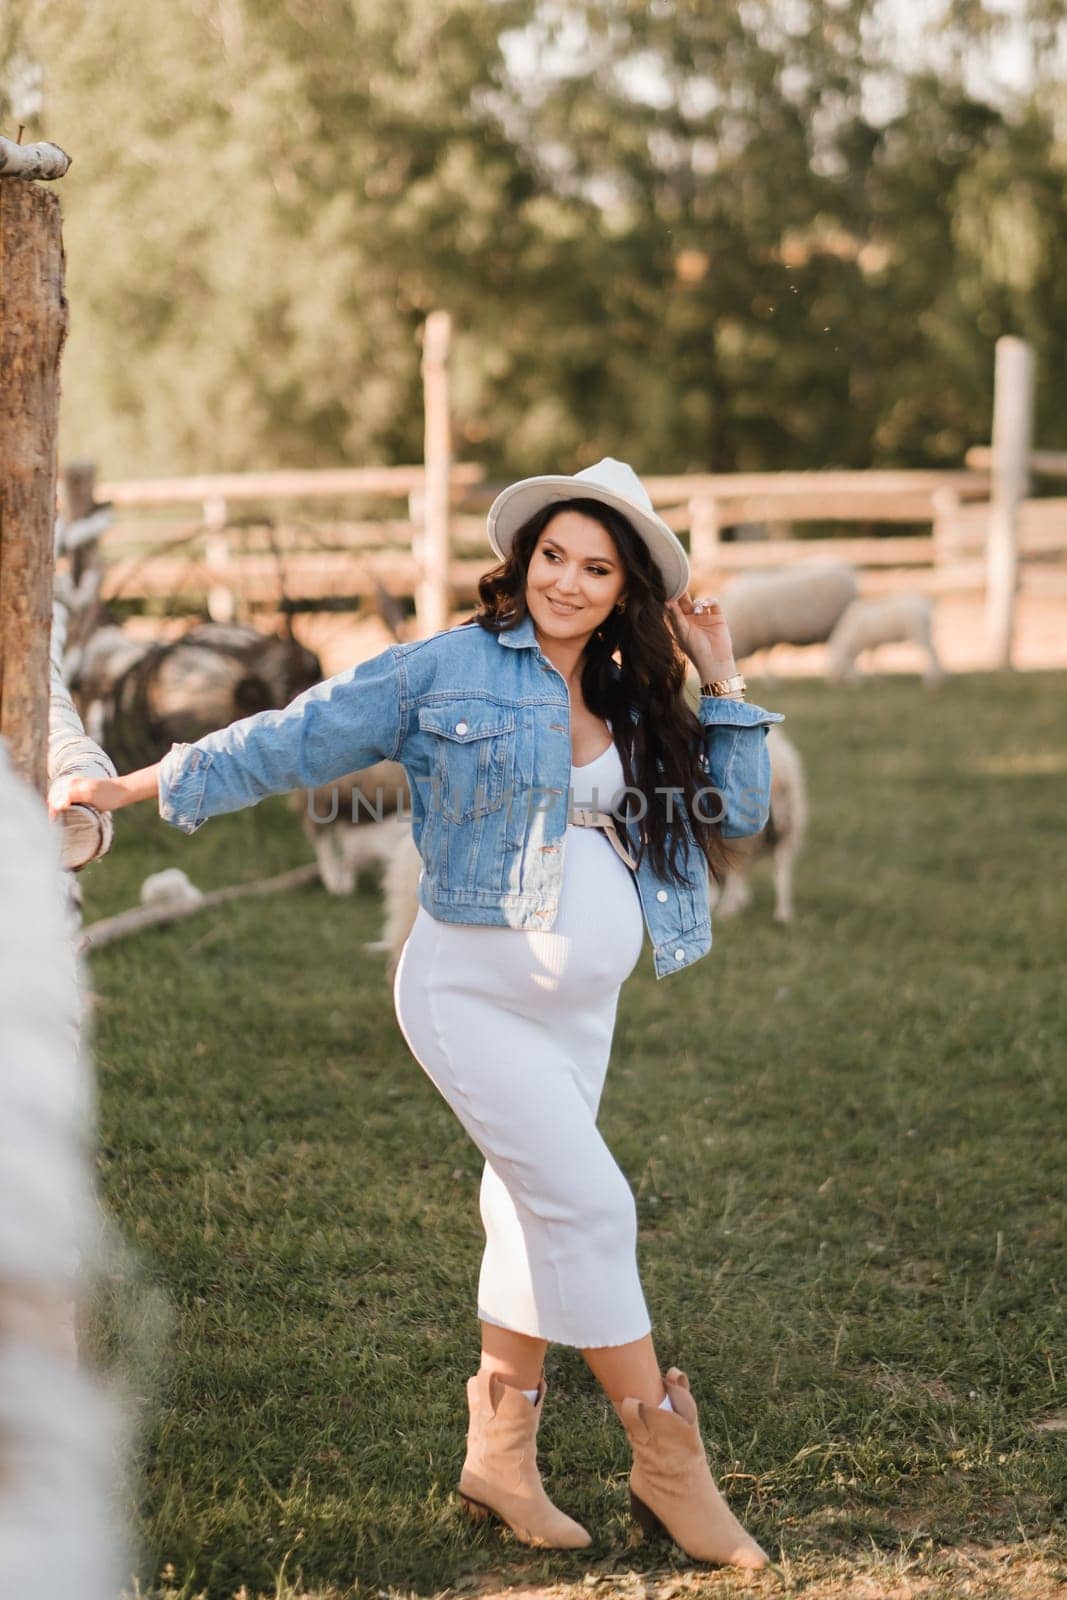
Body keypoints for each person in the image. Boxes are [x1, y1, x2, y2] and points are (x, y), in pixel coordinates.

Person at [54, 458, 784, 1568]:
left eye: (596, 566)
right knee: (591, 1206)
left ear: (624, 583)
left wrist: (719, 675)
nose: (568, 583)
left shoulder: (633, 690)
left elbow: (733, 809)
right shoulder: (448, 667)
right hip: (466, 990)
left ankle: (498, 1459)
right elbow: (299, 733)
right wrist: (133, 786)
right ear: (521, 556)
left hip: (579, 1013)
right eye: (553, 556)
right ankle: (669, 1465)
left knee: (526, 1211)